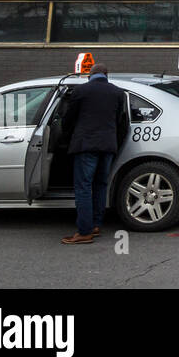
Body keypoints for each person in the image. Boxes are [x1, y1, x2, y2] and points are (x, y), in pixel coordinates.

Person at [59, 65, 129, 245]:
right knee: (100, 185)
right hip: (108, 145)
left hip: (85, 145)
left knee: (83, 187)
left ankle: (84, 231)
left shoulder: (81, 91)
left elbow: (68, 119)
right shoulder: (118, 92)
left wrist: (66, 136)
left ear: (90, 75)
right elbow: (120, 121)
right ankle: (96, 225)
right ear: (106, 75)